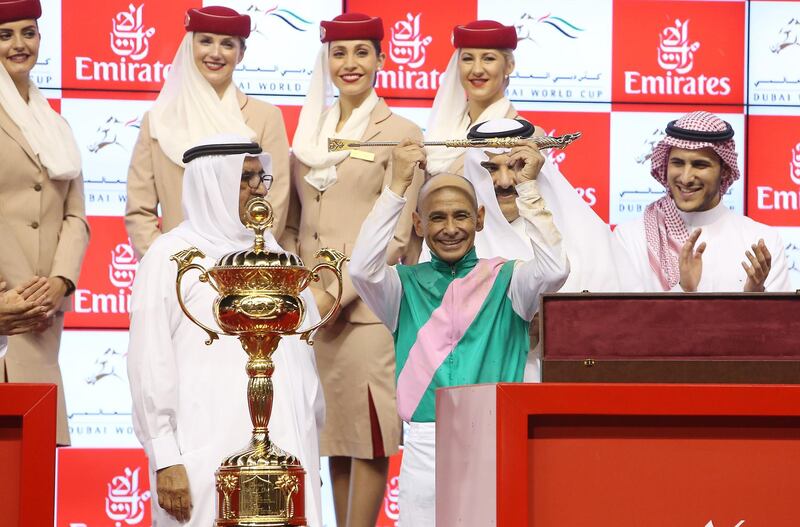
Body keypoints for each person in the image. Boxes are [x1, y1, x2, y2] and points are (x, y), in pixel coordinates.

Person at [348, 140, 569, 525]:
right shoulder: (402, 287)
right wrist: (396, 187)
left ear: (480, 219)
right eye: (437, 218)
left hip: (493, 441)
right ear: (419, 224)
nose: (450, 229)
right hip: (423, 447)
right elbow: (362, 270)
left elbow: (554, 270)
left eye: (461, 216)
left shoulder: (508, 279)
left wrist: (528, 188)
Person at [127, 137, 324, 526]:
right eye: (244, 177)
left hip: (288, 453)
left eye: (261, 176)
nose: (259, 188)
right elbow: (149, 361)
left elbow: (305, 355)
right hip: (203, 448)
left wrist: (309, 449)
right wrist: (165, 457)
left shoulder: (283, 260)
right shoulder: (170, 256)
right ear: (211, 184)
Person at [282, 13, 424, 527]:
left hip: (365, 308)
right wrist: (303, 292)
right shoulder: (307, 129)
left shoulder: (402, 132)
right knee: (334, 436)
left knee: (369, 434)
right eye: (339, 53)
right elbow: (295, 224)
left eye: (362, 52)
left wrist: (333, 295)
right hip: (309, 310)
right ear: (326, 61)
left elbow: (398, 235)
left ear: (381, 60)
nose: (350, 64)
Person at [459, 118, 640, 380]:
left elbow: (630, 321)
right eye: (490, 169)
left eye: (516, 166)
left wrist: (560, 327)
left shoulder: (588, 234)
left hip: (573, 390)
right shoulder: (453, 242)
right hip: (481, 392)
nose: (504, 181)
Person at [125, 6, 290, 259]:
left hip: (245, 273)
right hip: (177, 273)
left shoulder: (266, 118)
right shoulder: (158, 120)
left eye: (227, 44)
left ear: (241, 53)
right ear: (190, 47)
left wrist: (243, 264)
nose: (215, 53)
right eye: (205, 41)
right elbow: (140, 211)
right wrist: (169, 265)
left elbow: (275, 202)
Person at [0, 0, 90, 446]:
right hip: (4, 309)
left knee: (30, 475)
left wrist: (60, 282)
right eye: (5, 35)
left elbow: (76, 214)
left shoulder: (56, 124)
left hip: (41, 321)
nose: (19, 44)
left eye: (28, 32)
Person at [614, 111, 791, 292]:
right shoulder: (631, 238)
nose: (686, 177)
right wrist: (684, 290)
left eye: (700, 165)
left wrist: (754, 298)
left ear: (725, 171)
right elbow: (624, 317)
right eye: (678, 163)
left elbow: (777, 320)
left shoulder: (761, 241)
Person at [425, 20, 524, 177]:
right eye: (468, 59)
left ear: (509, 66)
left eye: (489, 59)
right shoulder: (439, 127)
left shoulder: (524, 134)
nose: (477, 70)